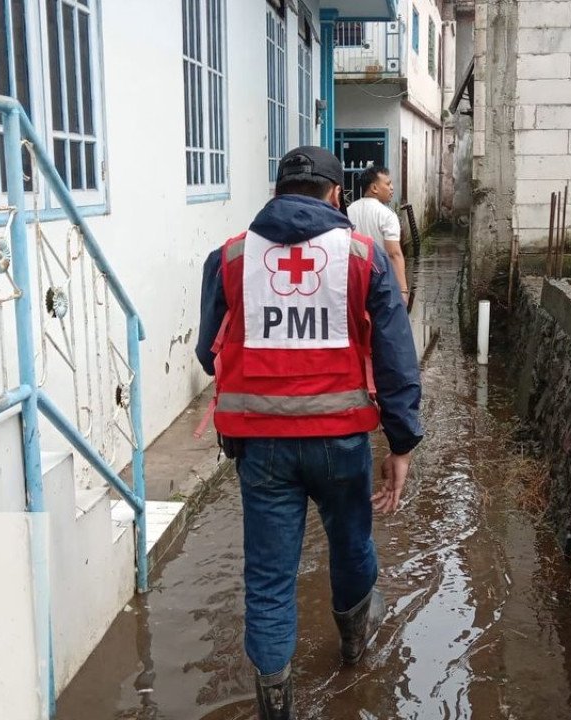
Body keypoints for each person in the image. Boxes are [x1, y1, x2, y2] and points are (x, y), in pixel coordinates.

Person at [195, 146, 424, 720]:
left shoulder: (229, 258)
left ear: (276, 193)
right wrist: (401, 444)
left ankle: (277, 709)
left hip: (260, 450)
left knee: (269, 580)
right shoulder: (363, 257)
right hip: (342, 444)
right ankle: (352, 648)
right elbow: (396, 359)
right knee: (352, 549)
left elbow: (208, 354)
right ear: (336, 195)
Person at [347, 166, 409, 302]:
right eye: (388, 184)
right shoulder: (387, 215)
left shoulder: (349, 210)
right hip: (380, 280)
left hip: (353, 280)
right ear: (374, 188)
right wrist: (403, 290)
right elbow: (394, 254)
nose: (392, 188)